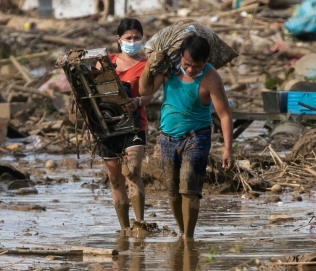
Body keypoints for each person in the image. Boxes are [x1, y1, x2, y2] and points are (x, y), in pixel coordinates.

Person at [139, 31, 233, 238]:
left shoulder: (211, 78)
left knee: (190, 189)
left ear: (205, 62)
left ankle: (188, 237)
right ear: (180, 57)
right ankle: (182, 232)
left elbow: (225, 115)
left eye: (196, 66)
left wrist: (228, 150)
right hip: (167, 138)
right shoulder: (169, 69)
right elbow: (145, 92)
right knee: (172, 192)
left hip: (196, 137)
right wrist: (148, 66)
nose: (190, 69)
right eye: (186, 64)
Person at [97, 18, 152, 232]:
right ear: (118, 40)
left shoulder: (146, 65)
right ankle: (124, 228)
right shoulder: (105, 62)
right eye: (128, 38)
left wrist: (137, 101)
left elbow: (150, 95)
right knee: (114, 178)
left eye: (137, 37)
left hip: (135, 124)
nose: (132, 41)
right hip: (108, 126)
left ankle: (139, 223)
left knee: (132, 171)